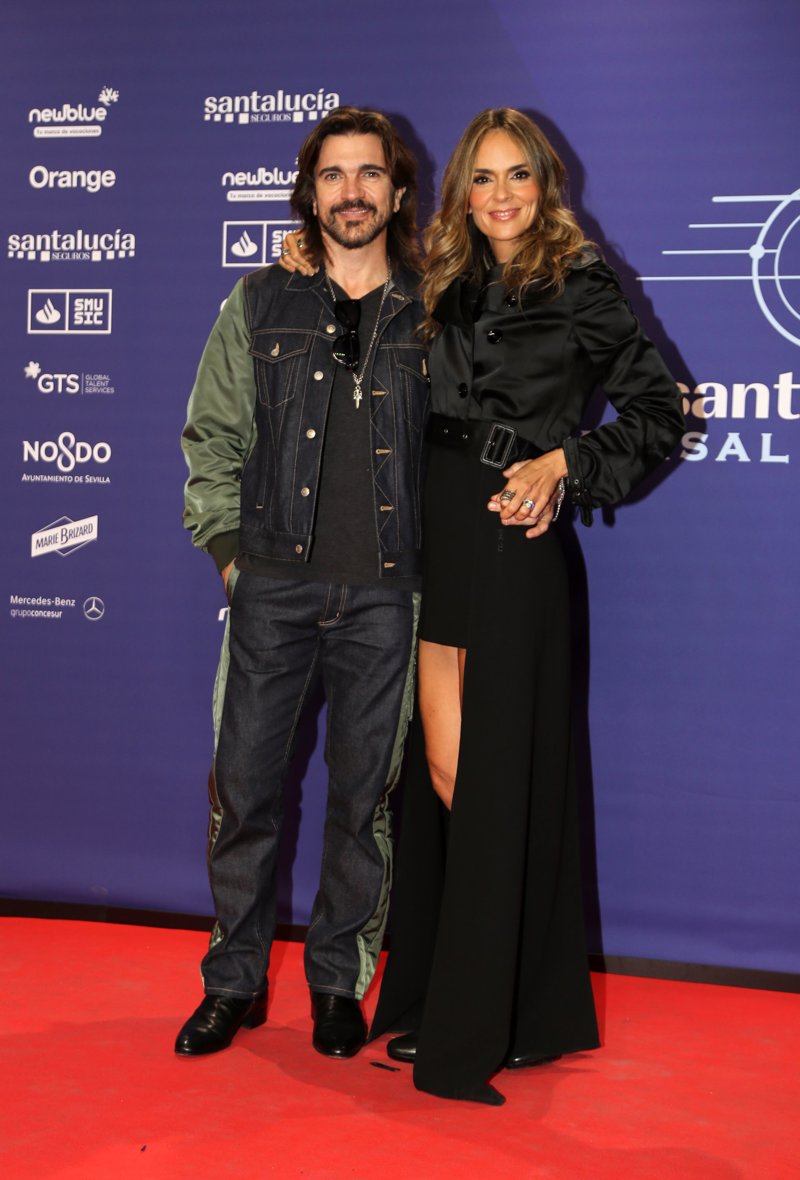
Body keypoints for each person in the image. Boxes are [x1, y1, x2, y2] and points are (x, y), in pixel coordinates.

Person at [281, 106, 684, 1105]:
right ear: (459, 191)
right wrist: (305, 259)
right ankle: (483, 999)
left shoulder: (580, 282)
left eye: (519, 176)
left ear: (546, 185)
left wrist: (564, 464)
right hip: (438, 533)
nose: (501, 195)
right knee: (443, 774)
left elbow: (657, 410)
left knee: (493, 781)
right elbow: (358, 303)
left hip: (514, 533)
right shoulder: (441, 281)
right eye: (484, 178)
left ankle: (477, 1024)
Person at [176, 107, 430, 1061]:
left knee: (363, 804)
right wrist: (231, 559)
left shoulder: (436, 307)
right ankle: (232, 983)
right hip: (272, 590)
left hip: (389, 597)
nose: (351, 192)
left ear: (397, 193)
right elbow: (212, 437)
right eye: (333, 175)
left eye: (370, 174)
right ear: (309, 194)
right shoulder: (257, 301)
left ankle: (336, 985)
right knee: (243, 793)